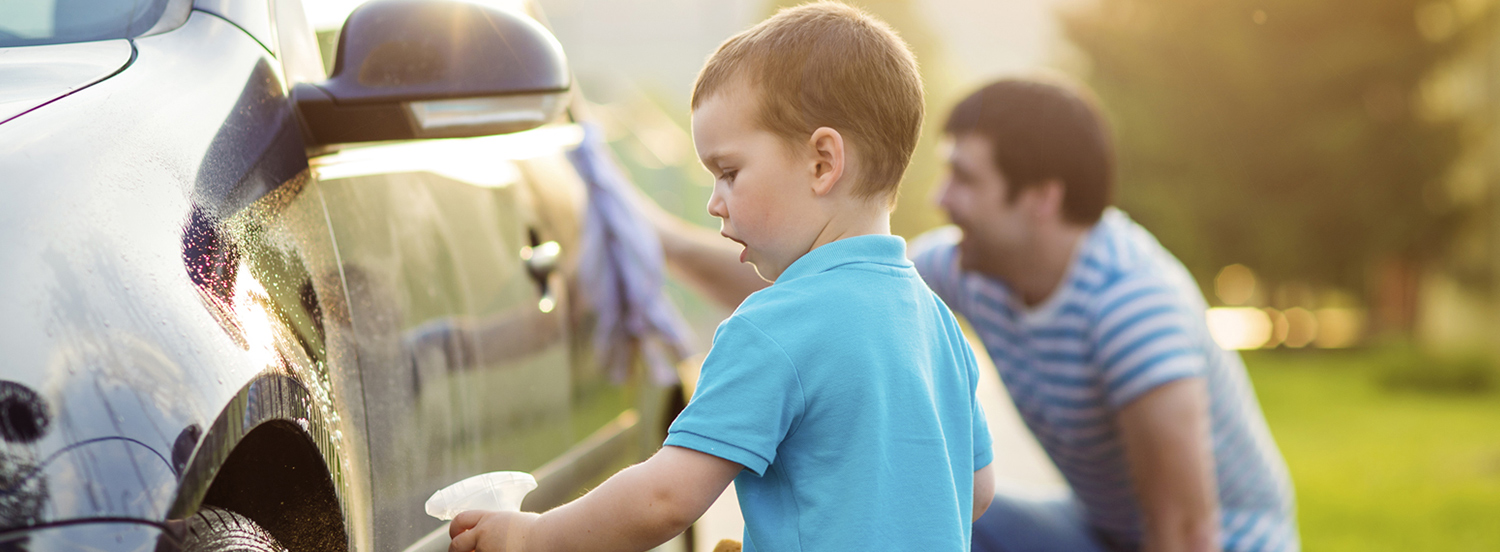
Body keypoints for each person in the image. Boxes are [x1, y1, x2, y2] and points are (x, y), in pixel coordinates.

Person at [645, 77, 1300, 552]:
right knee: (935, 510)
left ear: (1042, 198)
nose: (940, 197)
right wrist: (658, 240)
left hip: (1217, 542)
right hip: (1101, 530)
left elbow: (1187, 529)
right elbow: (821, 303)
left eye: (965, 179)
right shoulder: (975, 265)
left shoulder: (1131, 306)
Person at [446, 3, 995, 551]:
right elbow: (975, 490)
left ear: (822, 163)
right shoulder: (937, 321)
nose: (714, 203)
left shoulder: (775, 326)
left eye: (729, 173)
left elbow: (665, 498)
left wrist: (534, 535)